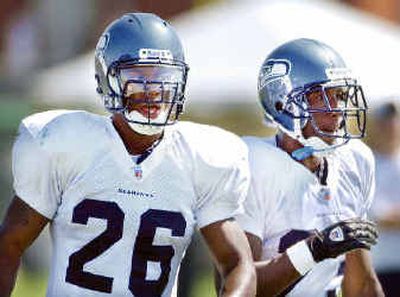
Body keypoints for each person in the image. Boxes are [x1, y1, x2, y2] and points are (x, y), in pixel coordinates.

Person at [0, 13, 256, 297]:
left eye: (163, 77)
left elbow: (237, 264)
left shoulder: (202, 156)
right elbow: (10, 244)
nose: (153, 90)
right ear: (107, 80)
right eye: (137, 77)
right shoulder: (64, 143)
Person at [235, 38, 384, 296]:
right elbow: (235, 285)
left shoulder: (355, 161)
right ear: (282, 103)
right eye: (319, 96)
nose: (335, 109)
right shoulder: (251, 164)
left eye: (338, 95)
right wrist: (315, 249)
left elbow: (362, 286)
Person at [369, 100, 400, 297]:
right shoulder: (367, 164)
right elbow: (378, 217)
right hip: (378, 269)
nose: (390, 127)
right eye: (385, 122)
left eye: (394, 121)